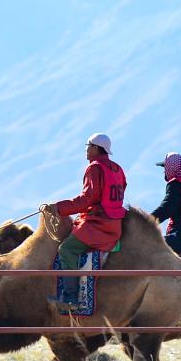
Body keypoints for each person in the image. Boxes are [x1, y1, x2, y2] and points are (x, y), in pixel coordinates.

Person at [43, 133, 128, 310]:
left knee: (66, 249)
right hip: (115, 224)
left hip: (98, 224)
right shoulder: (118, 169)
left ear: (96, 148)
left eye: (88, 146)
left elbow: (86, 199)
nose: (86, 150)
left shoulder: (94, 168)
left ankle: (70, 299)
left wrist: (57, 208)